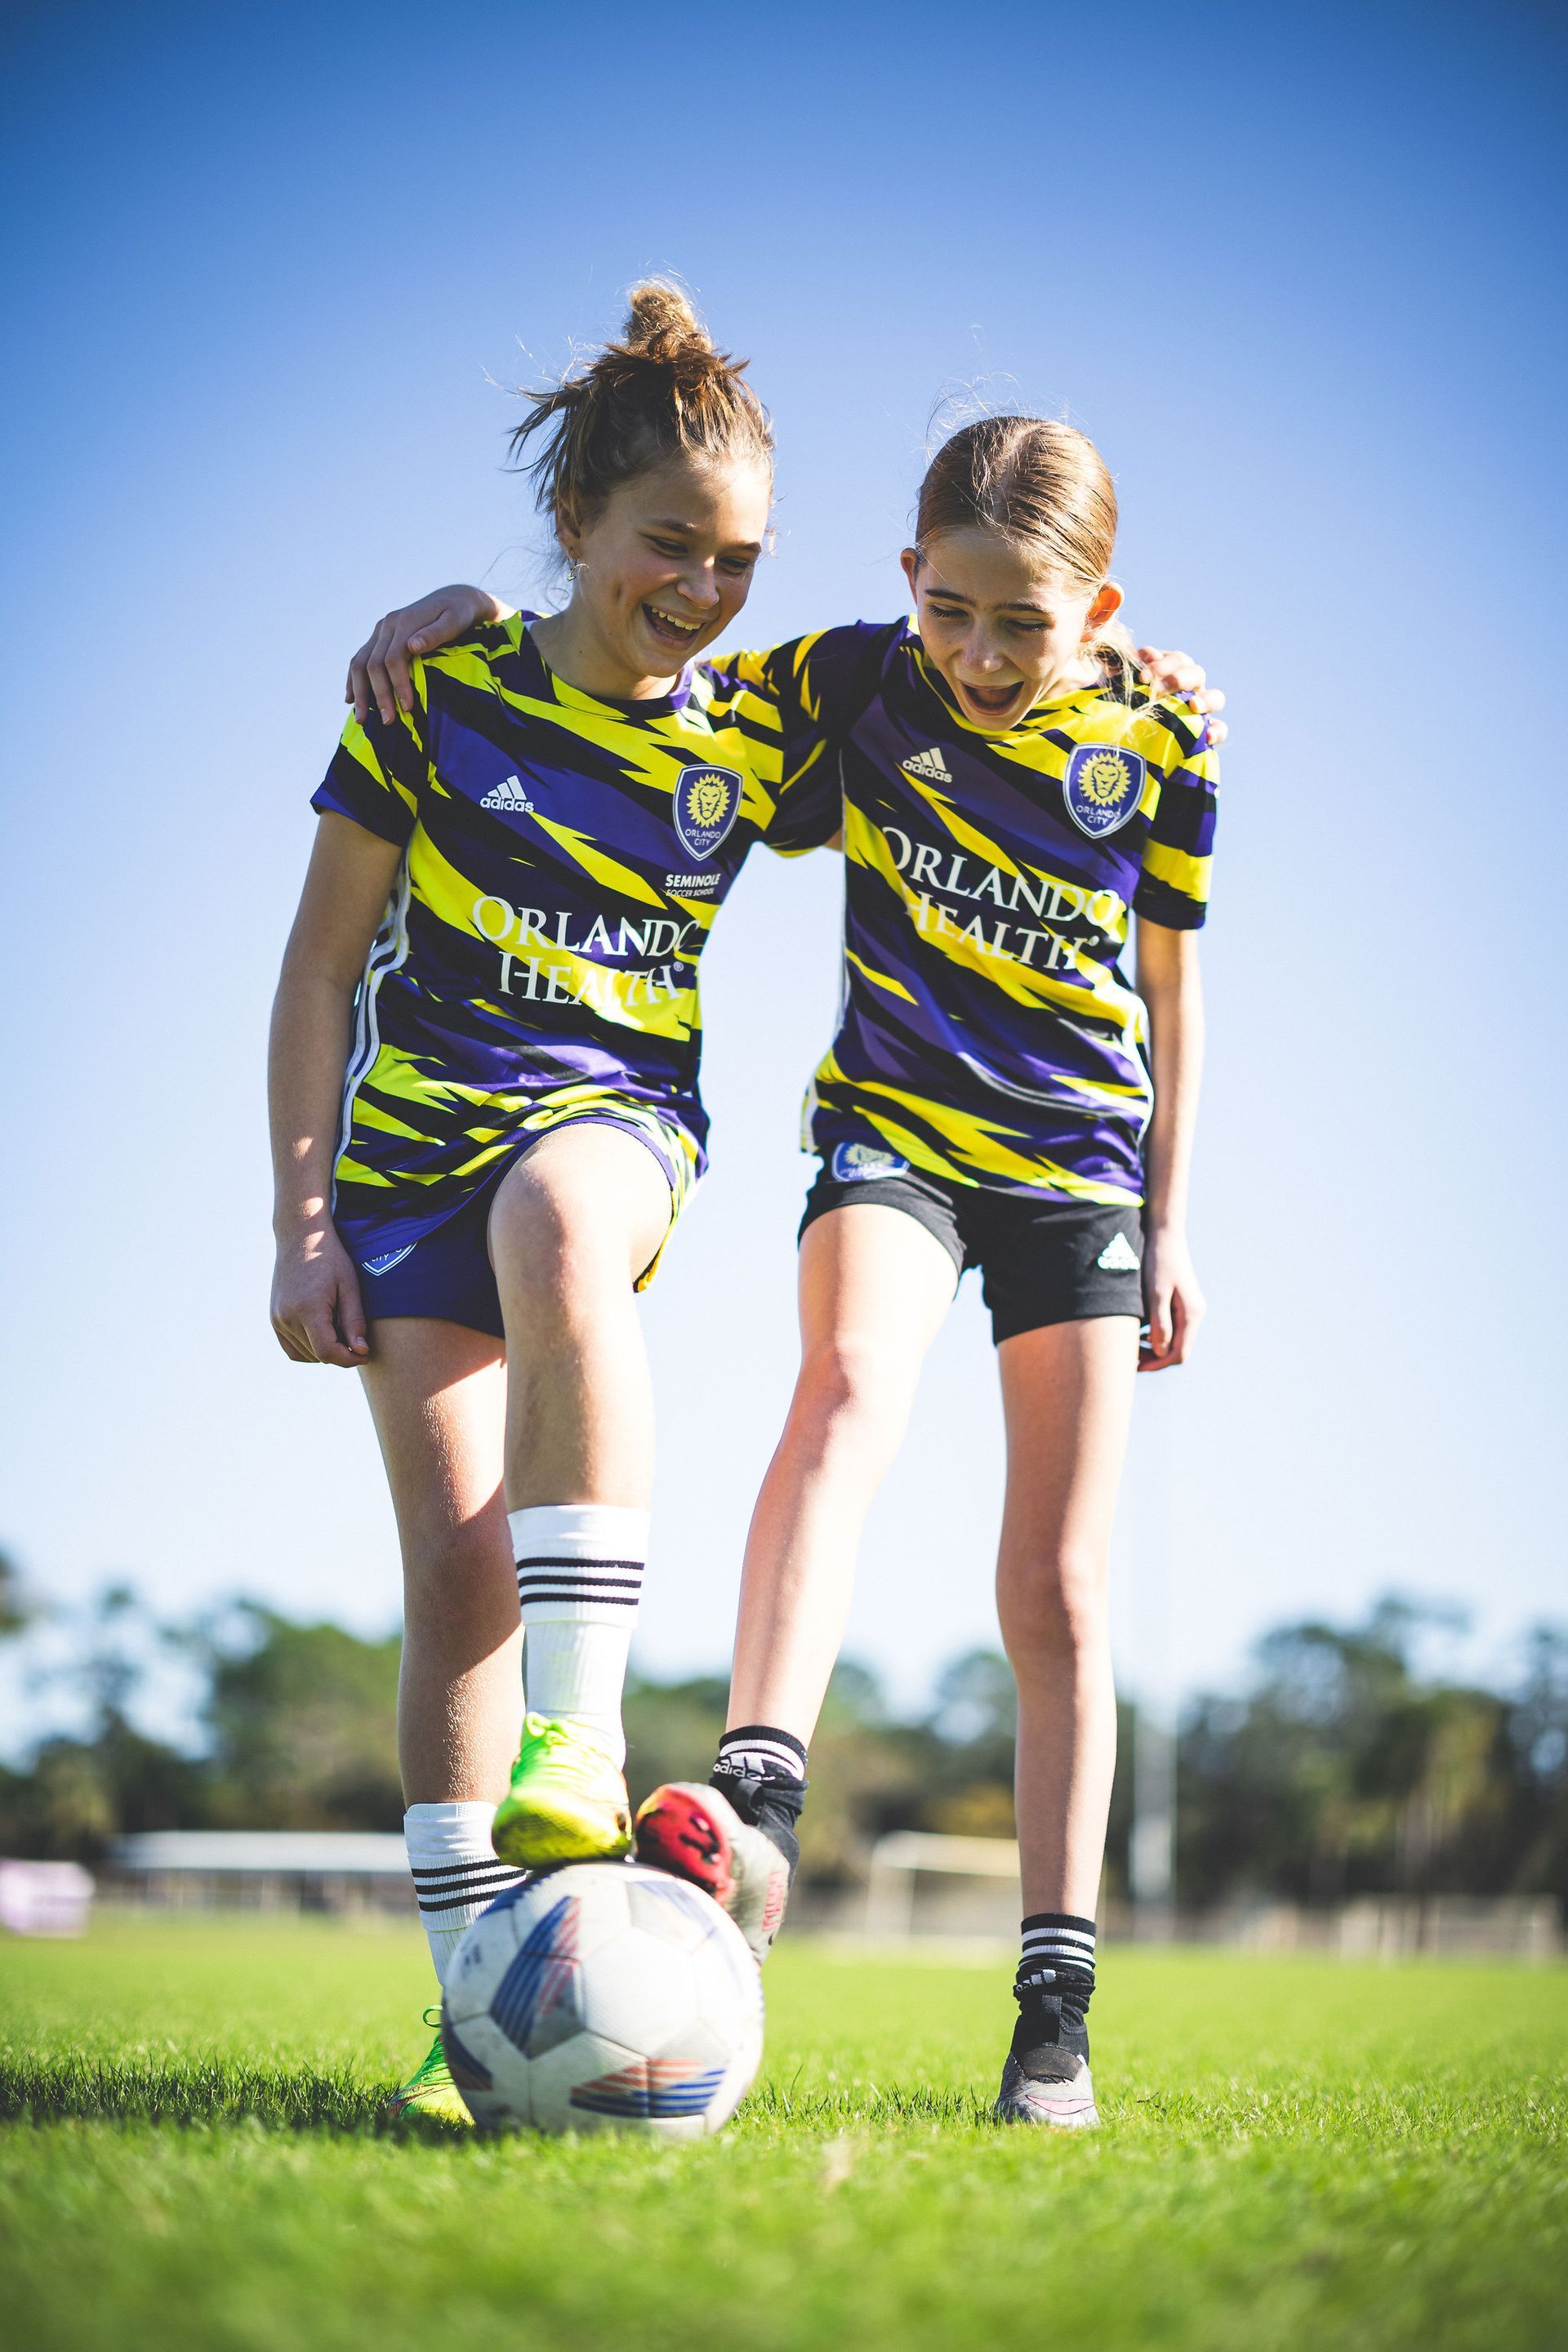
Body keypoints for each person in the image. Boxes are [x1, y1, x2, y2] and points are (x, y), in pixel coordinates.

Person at [315, 314, 1224, 2124]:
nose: (975, 654)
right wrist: (444, 609)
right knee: (845, 1392)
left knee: (1054, 1582)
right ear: (904, 584)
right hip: (885, 1134)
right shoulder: (847, 688)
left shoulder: (1159, 741)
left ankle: (1056, 2014)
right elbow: (605, 670)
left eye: (1024, 623)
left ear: (1100, 615)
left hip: (1085, 1176)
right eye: (948, 611)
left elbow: (1176, 999)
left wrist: (1179, 1222)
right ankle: (753, 1784)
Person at [269, 284, 841, 2122]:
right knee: (451, 1567)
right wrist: (298, 1224)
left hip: (611, 1127)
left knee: (562, 1222)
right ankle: (479, 2012)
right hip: (401, 1167)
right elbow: (316, 973)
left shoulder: (755, 731)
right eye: (668, 546)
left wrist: (1133, 684)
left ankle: (579, 1736)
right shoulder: (432, 692)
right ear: (576, 523)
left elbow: (980, 699)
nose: (702, 589)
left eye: (739, 559)